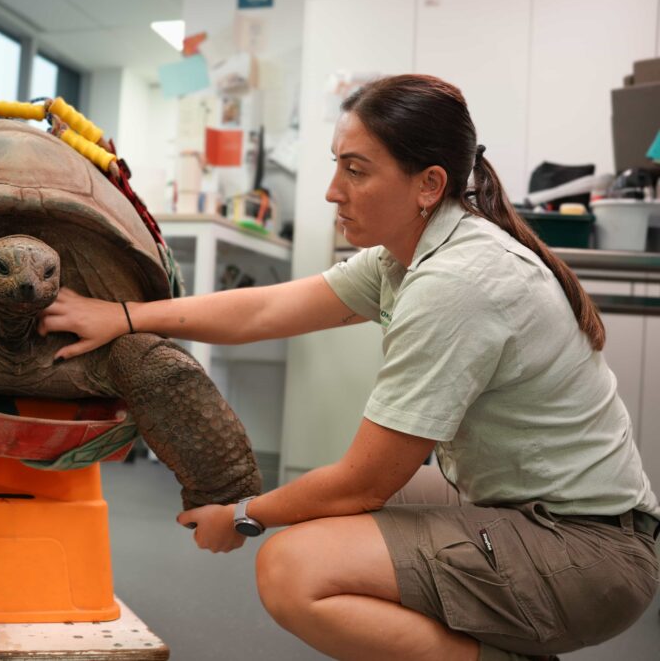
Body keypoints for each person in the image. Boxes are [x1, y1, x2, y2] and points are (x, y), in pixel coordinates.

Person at [37, 74, 660, 661]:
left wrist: (244, 515)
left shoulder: (458, 281)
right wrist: (125, 314)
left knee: (294, 568)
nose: (334, 190)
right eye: (337, 165)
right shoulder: (406, 254)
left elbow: (363, 483)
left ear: (428, 184)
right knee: (330, 520)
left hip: (588, 549)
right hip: (521, 506)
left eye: (356, 170)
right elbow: (264, 309)